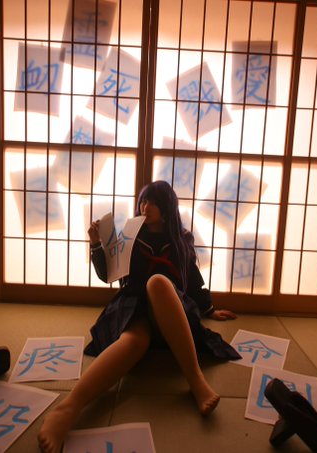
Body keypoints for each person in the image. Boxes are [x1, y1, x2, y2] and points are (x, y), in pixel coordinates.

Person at [38, 180, 241, 453]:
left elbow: (193, 279)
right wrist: (96, 244)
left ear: (167, 206)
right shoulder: (130, 234)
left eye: (153, 201)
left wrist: (209, 309)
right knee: (134, 341)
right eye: (143, 201)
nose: (146, 206)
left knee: (157, 283)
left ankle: (196, 382)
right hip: (135, 306)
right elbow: (109, 274)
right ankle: (67, 409)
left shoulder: (181, 238)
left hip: (171, 306)